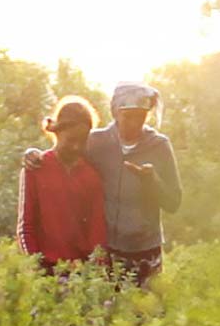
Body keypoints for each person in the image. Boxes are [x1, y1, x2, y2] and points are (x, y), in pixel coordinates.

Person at [25, 81, 181, 287]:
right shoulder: (96, 142)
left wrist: (152, 180)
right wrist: (31, 154)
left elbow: (173, 203)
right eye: (128, 116)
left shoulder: (159, 146)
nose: (134, 124)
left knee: (148, 315)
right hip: (109, 254)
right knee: (112, 315)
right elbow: (64, 151)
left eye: (141, 117)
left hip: (146, 252)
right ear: (115, 112)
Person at [16, 96, 108, 272]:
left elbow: (97, 232)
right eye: (71, 140)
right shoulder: (35, 168)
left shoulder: (91, 176)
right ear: (56, 133)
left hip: (80, 271)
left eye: (82, 141)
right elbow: (26, 226)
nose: (76, 147)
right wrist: (35, 267)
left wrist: (97, 272)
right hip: (44, 269)